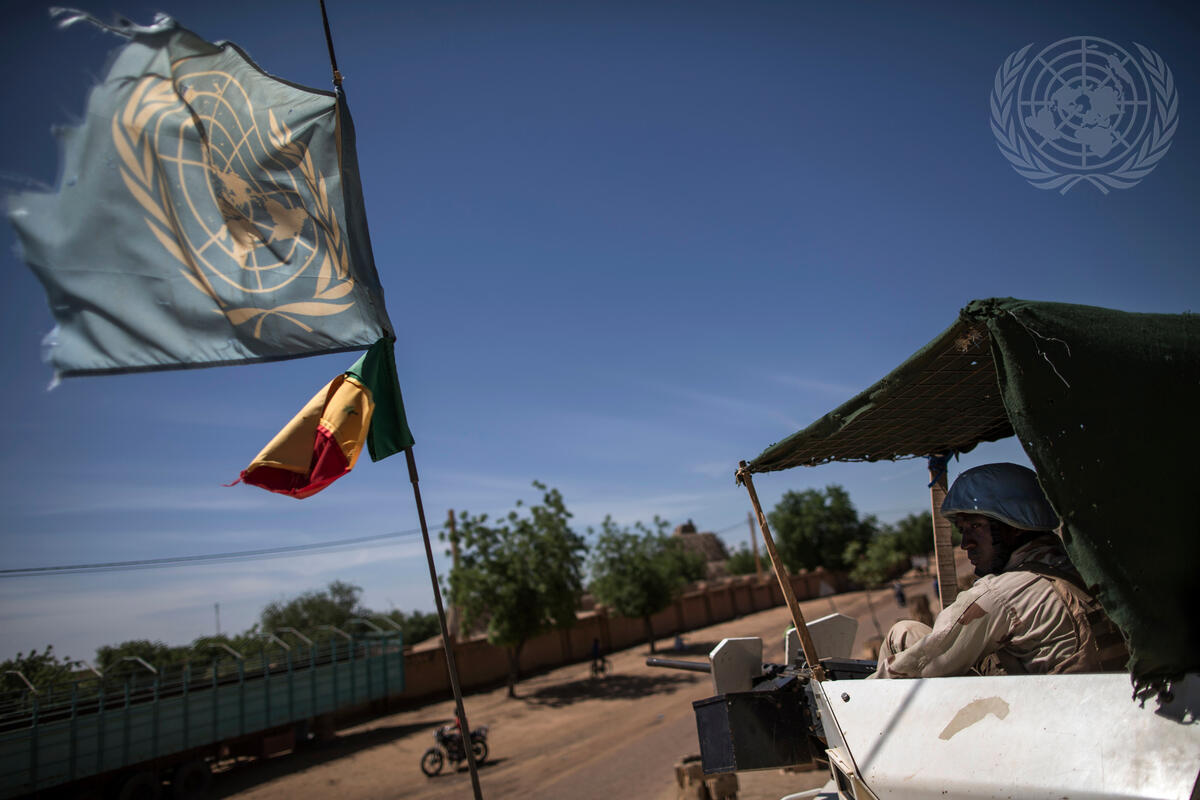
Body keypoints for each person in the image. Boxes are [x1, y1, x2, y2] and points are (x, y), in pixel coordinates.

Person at [872, 463, 1127, 679]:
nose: (965, 543)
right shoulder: (1080, 566)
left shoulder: (1001, 594)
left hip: (1039, 715)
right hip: (1095, 701)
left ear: (1013, 526)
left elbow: (919, 666)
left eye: (975, 526)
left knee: (900, 633)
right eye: (963, 530)